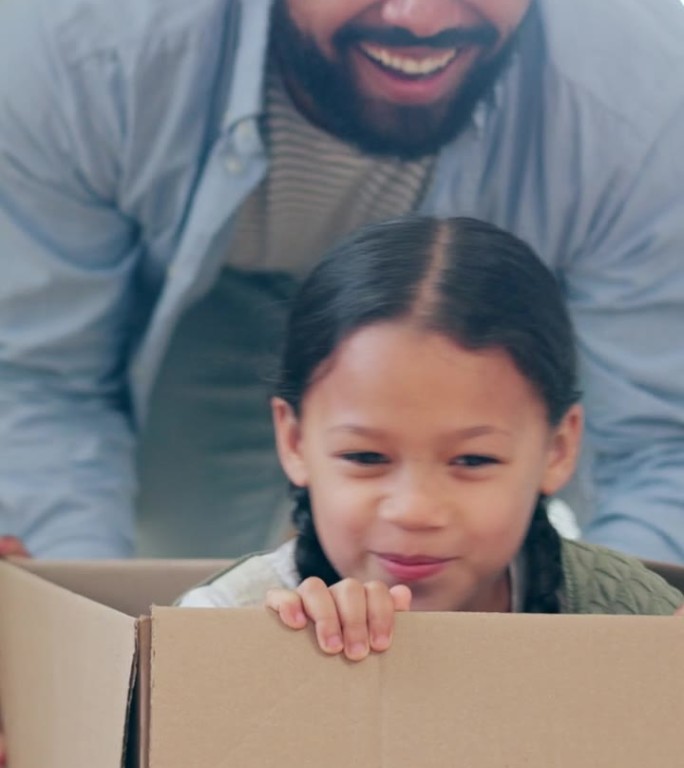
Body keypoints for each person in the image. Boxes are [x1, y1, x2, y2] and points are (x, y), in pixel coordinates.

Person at [1, 0, 684, 562]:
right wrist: (75, 625)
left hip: (475, 327)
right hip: (208, 293)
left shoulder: (649, 95)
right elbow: (40, 377)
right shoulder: (73, 46)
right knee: (177, 555)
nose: (418, 18)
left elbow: (659, 439)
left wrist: (615, 648)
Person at [177, 217, 684, 657]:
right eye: (366, 455)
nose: (415, 510)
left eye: (472, 460)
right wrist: (266, 671)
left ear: (558, 448)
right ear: (293, 441)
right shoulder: (224, 625)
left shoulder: (639, 623)